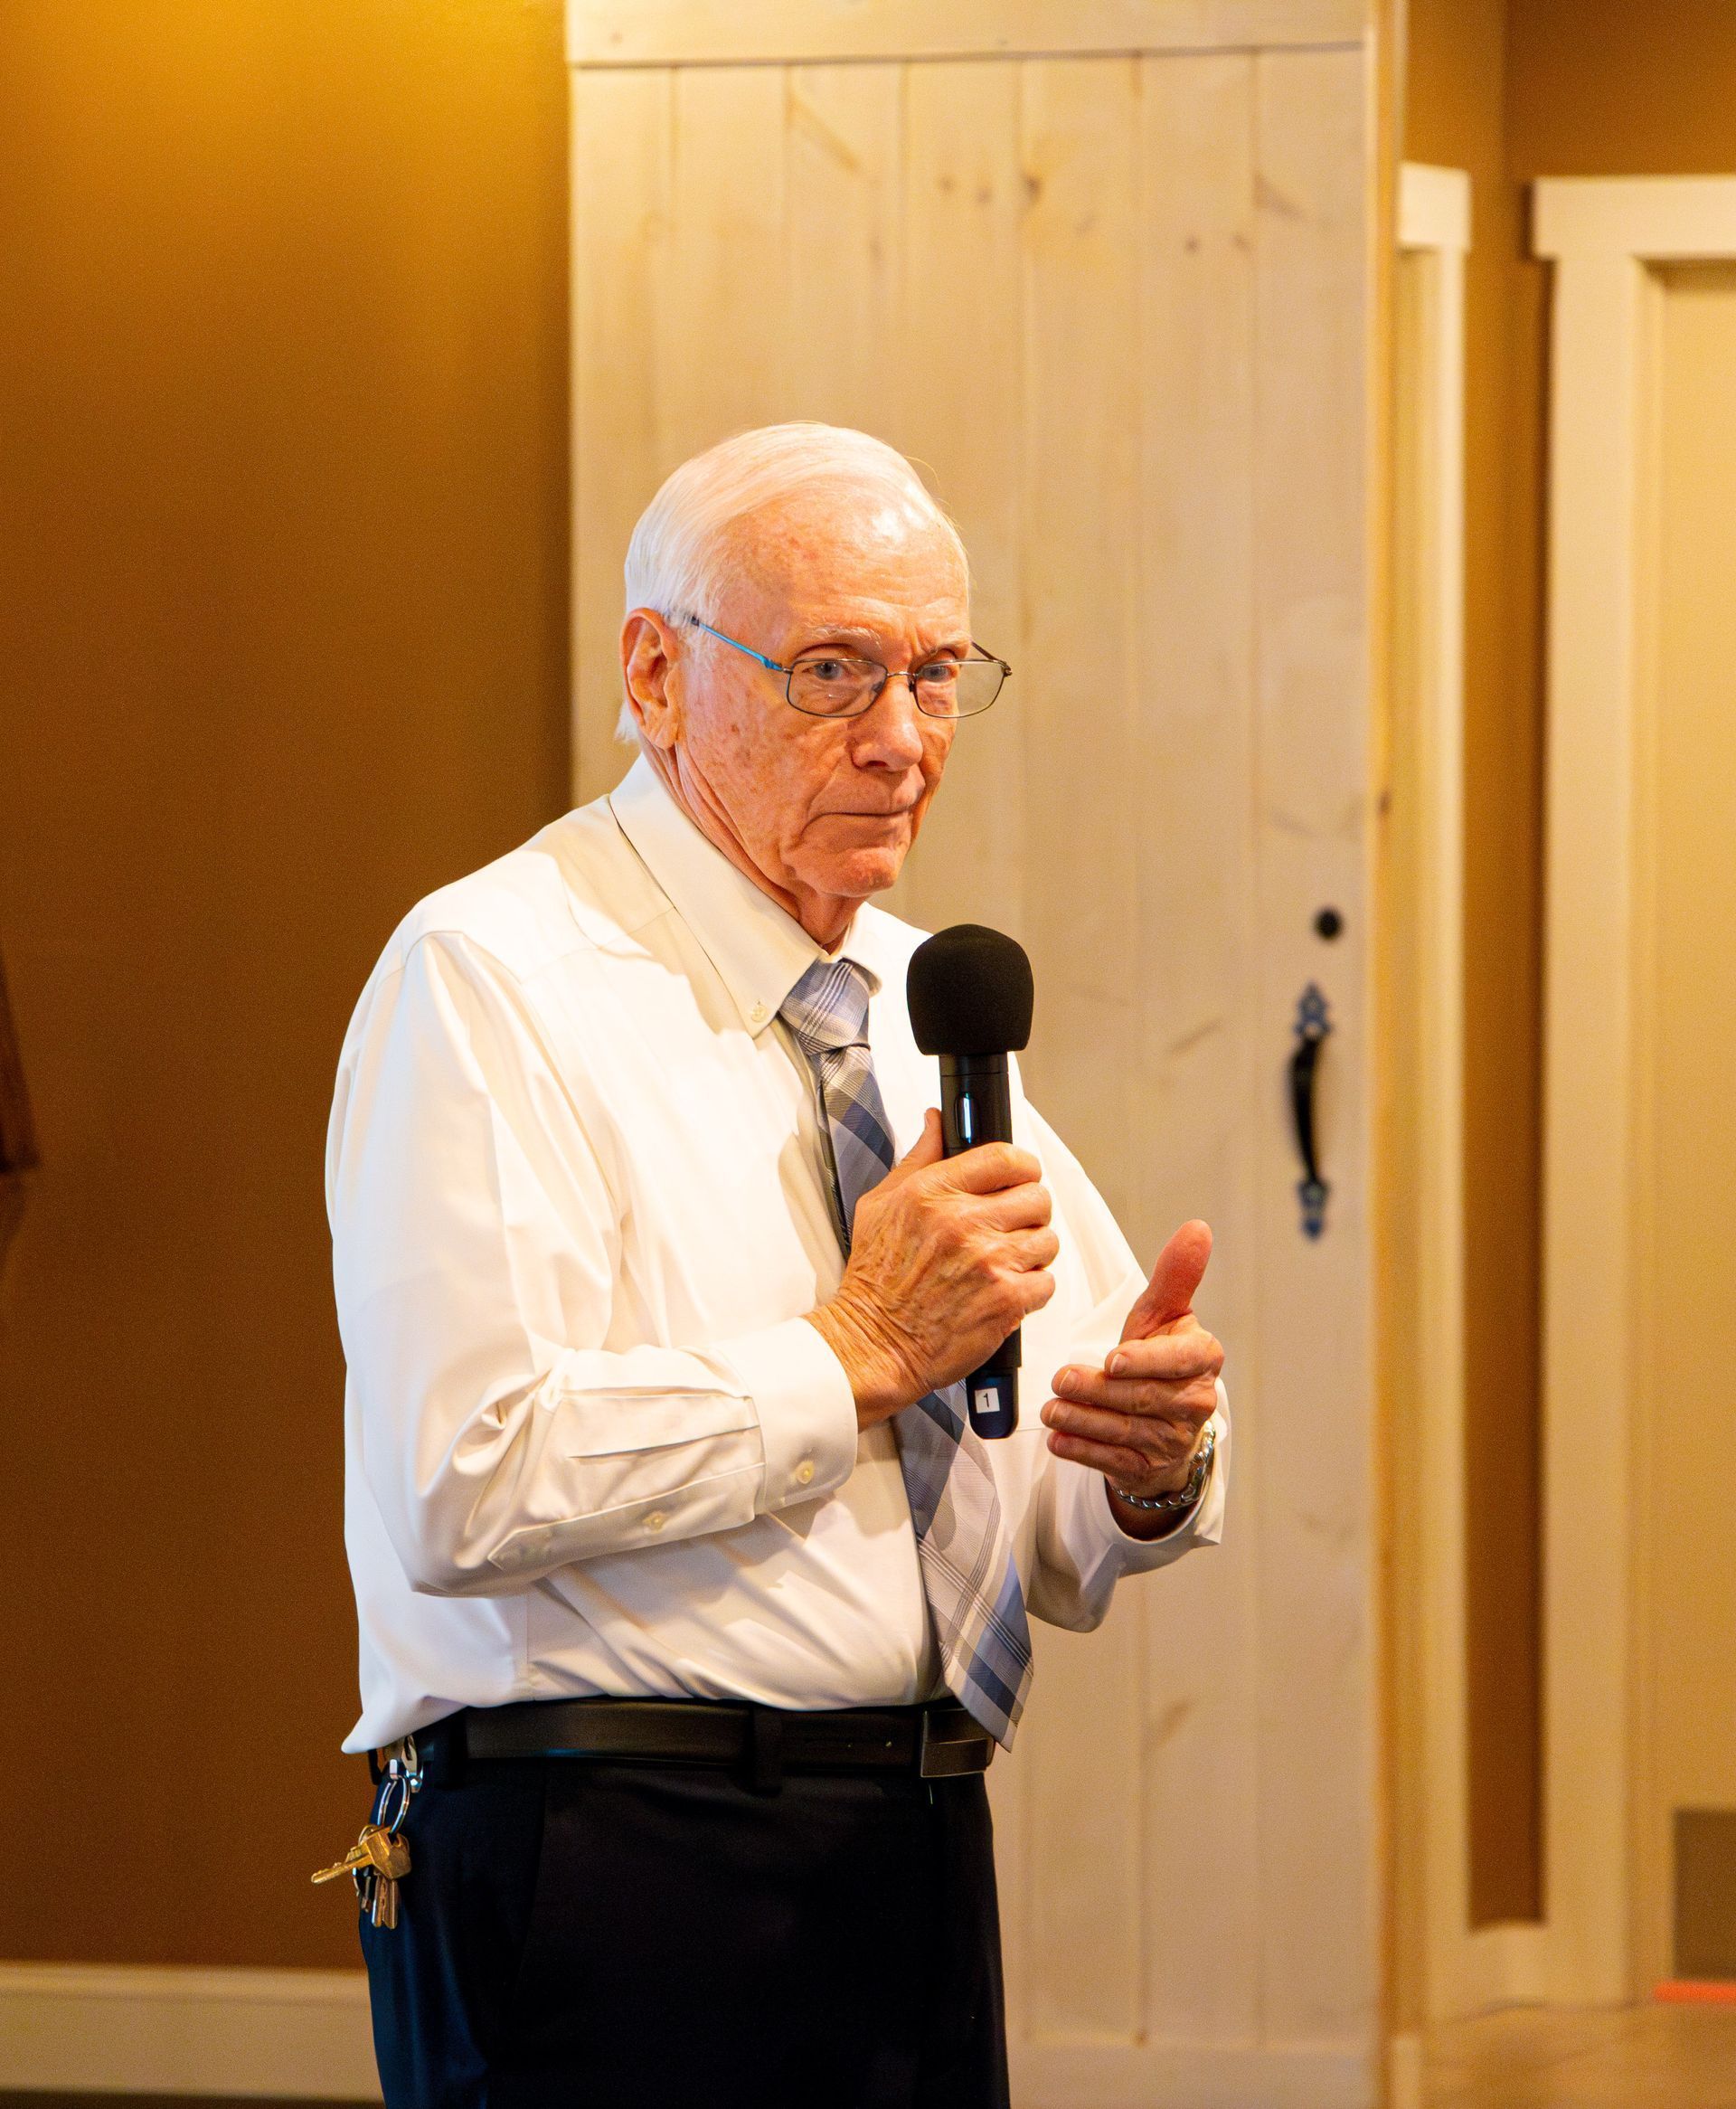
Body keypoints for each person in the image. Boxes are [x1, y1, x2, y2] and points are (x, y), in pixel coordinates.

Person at [326, 422, 1229, 2109]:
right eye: (832, 672)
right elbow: (460, 1480)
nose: (902, 741)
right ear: (655, 673)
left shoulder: (923, 1001)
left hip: (909, 1840)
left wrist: (1150, 1467)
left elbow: (1031, 1497)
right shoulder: (491, 978)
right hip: (607, 1861)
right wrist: (852, 1348)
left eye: (938, 674)